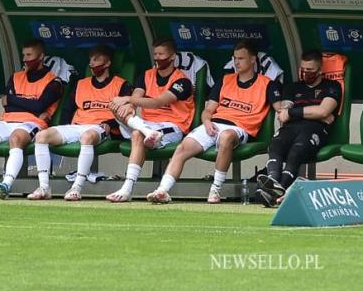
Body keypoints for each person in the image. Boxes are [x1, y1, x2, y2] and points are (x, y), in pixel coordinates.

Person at [147, 40, 282, 204]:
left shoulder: (266, 83)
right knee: (183, 147)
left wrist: (287, 109)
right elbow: (208, 110)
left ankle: (216, 189)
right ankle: (162, 190)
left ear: (253, 60)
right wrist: (207, 121)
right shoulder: (226, 80)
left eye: (241, 58)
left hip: (239, 128)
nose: (237, 62)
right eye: (235, 58)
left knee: (226, 136)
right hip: (214, 124)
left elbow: (280, 108)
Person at [27, 44, 131, 201]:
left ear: (108, 63)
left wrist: (111, 124)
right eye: (90, 60)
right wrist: (63, 127)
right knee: (42, 136)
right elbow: (67, 110)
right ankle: (44, 187)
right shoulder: (81, 84)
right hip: (78, 126)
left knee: (87, 137)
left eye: (96, 59)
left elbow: (126, 114)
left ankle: (76, 187)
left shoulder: (121, 84)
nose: (92, 63)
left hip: (101, 128)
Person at [0, 39, 62, 199]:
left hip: (32, 123)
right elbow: (8, 106)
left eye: (29, 55)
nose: (25, 59)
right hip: (7, 120)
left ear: (41, 56)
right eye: (24, 55)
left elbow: (38, 106)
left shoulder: (54, 81)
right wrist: (29, 104)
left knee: (16, 138)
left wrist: (14, 100)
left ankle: (6, 184)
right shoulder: (16, 77)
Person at [104, 39, 194, 203]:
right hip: (147, 125)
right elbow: (137, 97)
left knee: (134, 126)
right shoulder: (146, 75)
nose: (158, 58)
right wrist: (129, 104)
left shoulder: (182, 81)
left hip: (172, 126)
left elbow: (157, 102)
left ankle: (128, 187)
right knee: (116, 107)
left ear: (172, 57)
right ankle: (127, 189)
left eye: (161, 54)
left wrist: (126, 99)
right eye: (155, 54)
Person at [256, 50, 341, 207]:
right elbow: (283, 114)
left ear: (320, 70)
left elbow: (324, 111)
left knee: (296, 151)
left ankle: (274, 190)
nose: (305, 73)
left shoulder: (332, 86)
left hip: (315, 129)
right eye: (303, 69)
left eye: (310, 70)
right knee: (276, 144)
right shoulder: (293, 87)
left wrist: (293, 112)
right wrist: (311, 112)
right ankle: (273, 181)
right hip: (291, 129)